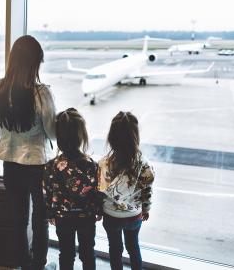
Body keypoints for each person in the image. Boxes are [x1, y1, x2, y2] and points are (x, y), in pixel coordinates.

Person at [0, 35, 56, 270]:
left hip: (10, 161)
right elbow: (52, 131)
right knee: (40, 219)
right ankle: (38, 265)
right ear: (35, 62)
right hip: (37, 164)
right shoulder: (41, 94)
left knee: (17, 219)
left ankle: (21, 262)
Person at [43, 108, 102, 270]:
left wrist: (50, 214)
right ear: (81, 136)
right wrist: (98, 210)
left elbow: (47, 194)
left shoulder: (51, 166)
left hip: (63, 217)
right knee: (88, 252)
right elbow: (97, 192)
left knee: (66, 254)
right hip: (87, 216)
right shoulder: (91, 165)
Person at [98, 111, 155, 270]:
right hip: (134, 216)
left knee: (115, 250)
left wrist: (99, 210)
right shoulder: (144, 164)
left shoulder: (104, 164)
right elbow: (147, 191)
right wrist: (146, 209)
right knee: (133, 247)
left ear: (111, 138)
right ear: (135, 137)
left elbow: (101, 193)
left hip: (111, 216)